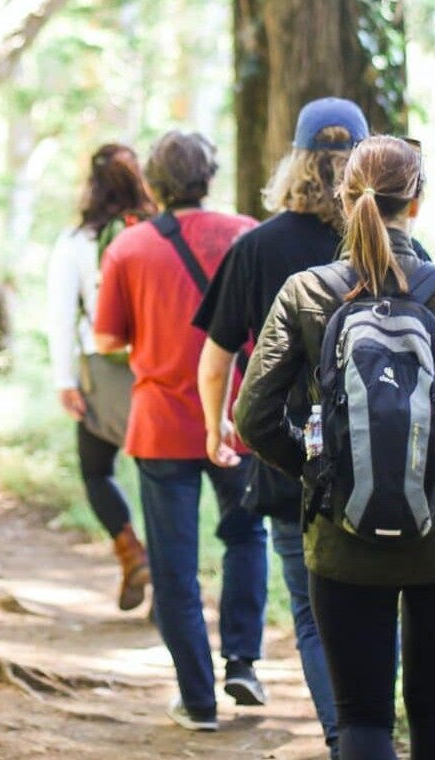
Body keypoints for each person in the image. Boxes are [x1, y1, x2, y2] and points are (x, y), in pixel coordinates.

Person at [235, 135, 435, 759]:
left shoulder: (306, 292)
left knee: (363, 719)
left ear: (344, 202)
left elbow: (253, 417)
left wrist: (326, 469)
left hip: (343, 541)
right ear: (417, 203)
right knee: (433, 706)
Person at [193, 98, 430, 759]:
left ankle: (346, 739)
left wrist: (218, 430)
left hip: (297, 462)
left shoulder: (256, 247)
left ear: (294, 161)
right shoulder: (405, 249)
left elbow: (215, 360)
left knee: (311, 614)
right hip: (395, 467)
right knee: (383, 603)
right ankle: (373, 734)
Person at [94, 130, 267, 731]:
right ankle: (243, 660)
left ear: (154, 182)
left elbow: (107, 338)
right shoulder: (247, 234)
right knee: (246, 536)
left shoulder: (129, 248)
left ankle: (197, 700)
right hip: (238, 418)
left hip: (163, 424)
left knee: (174, 566)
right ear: (209, 176)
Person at [46, 143, 157, 611]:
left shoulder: (77, 242)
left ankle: (130, 549)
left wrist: (65, 380)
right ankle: (168, 584)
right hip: (158, 372)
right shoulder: (159, 232)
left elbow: (59, 315)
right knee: (160, 479)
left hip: (102, 373)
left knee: (97, 470)